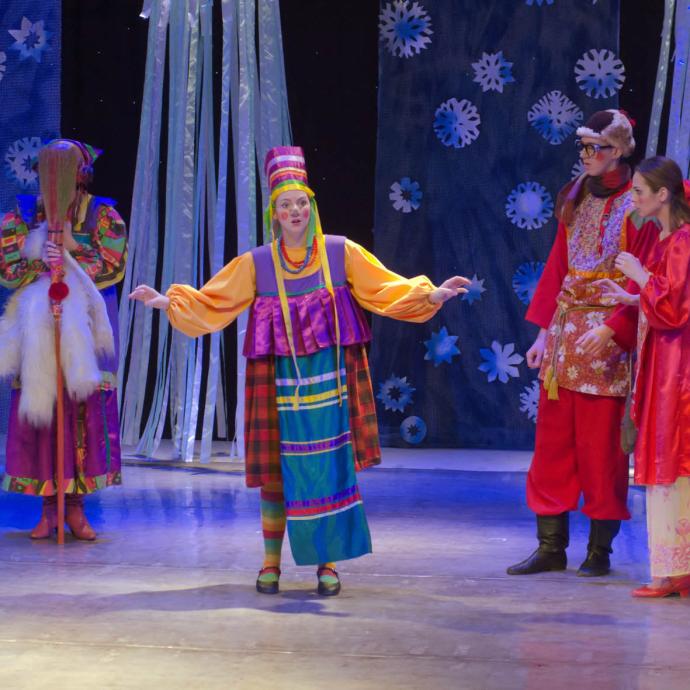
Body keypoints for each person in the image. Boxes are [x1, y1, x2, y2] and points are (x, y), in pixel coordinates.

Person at [130, 146, 469, 595]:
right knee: (276, 472)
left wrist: (431, 295)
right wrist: (166, 301)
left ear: (311, 206)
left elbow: (384, 288)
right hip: (277, 383)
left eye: (301, 203)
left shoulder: (339, 252)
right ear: (274, 214)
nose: (295, 211)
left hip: (330, 380)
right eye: (286, 205)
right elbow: (216, 301)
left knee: (328, 467)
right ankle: (270, 563)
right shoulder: (258, 263)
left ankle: (327, 564)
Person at [507, 110, 658, 577]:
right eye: (584, 147)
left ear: (620, 150)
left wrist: (614, 328)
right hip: (565, 337)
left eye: (597, 148)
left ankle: (599, 552)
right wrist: (543, 332)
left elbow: (645, 278)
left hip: (608, 340)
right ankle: (550, 546)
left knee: (602, 450)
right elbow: (559, 266)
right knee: (552, 446)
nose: (587, 156)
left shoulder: (639, 205)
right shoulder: (574, 195)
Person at [0, 139, 127, 540]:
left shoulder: (102, 216)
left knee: (81, 412)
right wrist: (40, 256)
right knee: (44, 410)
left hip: (85, 327)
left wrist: (73, 249)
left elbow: (113, 266)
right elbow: (7, 271)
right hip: (38, 329)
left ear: (81, 176)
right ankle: (48, 508)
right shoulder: (21, 215)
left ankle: (75, 507)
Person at [595, 156, 690, 598]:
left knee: (674, 453)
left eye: (638, 191)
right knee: (667, 452)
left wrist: (639, 277)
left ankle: (671, 571)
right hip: (664, 359)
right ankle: (675, 568)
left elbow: (674, 308)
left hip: (678, 366)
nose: (632, 198)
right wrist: (633, 297)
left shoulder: (682, 241)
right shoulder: (667, 239)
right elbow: (665, 298)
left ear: (662, 194)